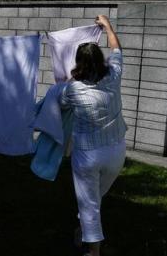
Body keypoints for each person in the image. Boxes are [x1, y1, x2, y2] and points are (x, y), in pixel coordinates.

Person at [60, 15, 127, 256]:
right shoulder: (114, 76)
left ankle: (93, 251)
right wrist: (108, 26)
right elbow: (116, 48)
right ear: (101, 60)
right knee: (94, 198)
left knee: (90, 204)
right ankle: (82, 230)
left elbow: (61, 103)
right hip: (116, 152)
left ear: (78, 63)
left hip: (88, 155)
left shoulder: (73, 89)